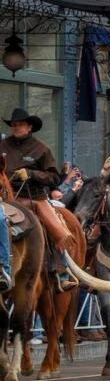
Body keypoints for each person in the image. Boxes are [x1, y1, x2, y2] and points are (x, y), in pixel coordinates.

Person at [1, 108, 74, 291]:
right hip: (6, 198)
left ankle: (62, 270)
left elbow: (54, 178)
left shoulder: (41, 149)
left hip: (34, 197)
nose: (16, 127)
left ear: (29, 127)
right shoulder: (2, 146)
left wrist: (31, 173)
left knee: (55, 229)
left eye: (20, 124)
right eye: (14, 125)